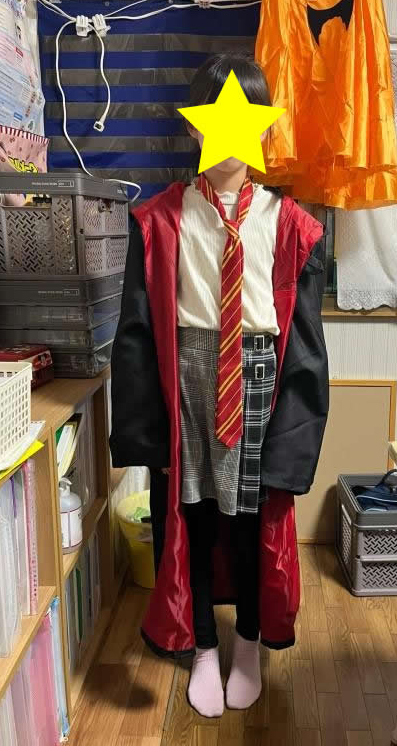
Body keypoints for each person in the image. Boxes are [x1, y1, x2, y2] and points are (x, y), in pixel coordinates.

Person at [110, 54, 329, 718]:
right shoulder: (160, 219)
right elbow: (137, 331)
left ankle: (248, 643)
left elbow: (307, 342)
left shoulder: (291, 224)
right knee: (196, 519)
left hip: (259, 374)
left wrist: (294, 441)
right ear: (196, 127)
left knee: (250, 523)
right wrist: (148, 435)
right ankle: (204, 644)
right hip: (189, 376)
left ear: (262, 128)